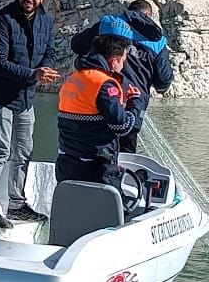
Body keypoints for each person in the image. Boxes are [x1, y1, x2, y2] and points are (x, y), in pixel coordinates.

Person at [0, 0, 58, 229]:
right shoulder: (2, 21)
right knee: (0, 150)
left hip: (26, 98)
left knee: (23, 152)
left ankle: (17, 204)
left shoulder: (45, 20)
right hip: (1, 97)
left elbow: (49, 51)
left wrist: (44, 69)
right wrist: (33, 74)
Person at [55, 17, 143, 221]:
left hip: (68, 162)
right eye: (123, 60)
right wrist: (134, 103)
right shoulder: (105, 85)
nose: (123, 65)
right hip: (95, 166)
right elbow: (122, 127)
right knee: (104, 219)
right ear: (114, 60)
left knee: (73, 215)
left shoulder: (73, 79)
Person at [70, 0, 174, 130]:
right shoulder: (158, 41)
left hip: (100, 99)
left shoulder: (109, 23)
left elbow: (77, 45)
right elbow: (163, 82)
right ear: (149, 16)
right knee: (127, 148)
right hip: (133, 104)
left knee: (98, 145)